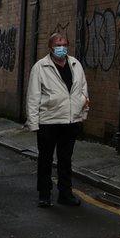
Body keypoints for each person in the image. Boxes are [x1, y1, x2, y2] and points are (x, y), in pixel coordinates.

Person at [26, 33, 90, 208]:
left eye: (64, 44)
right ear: (50, 47)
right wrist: (33, 122)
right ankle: (44, 195)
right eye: (57, 45)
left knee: (65, 160)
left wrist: (83, 112)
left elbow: (83, 90)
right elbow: (33, 96)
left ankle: (65, 194)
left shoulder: (76, 64)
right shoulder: (40, 67)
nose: (61, 48)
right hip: (48, 121)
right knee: (45, 160)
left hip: (70, 121)